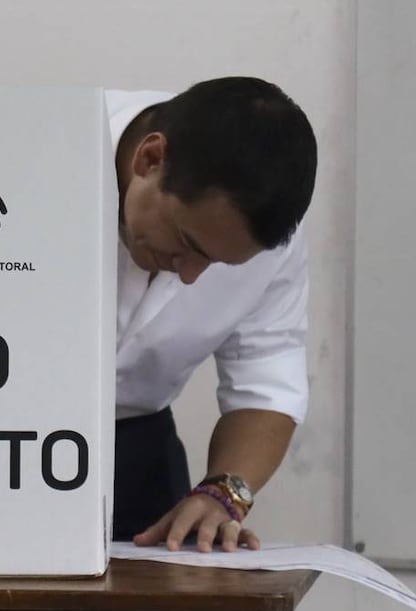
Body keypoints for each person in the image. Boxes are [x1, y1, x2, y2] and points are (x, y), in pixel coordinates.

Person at [107, 77, 317, 553]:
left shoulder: (265, 230)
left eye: (218, 264)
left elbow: (267, 378)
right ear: (149, 159)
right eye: (188, 244)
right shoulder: (31, 153)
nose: (190, 278)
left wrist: (225, 493)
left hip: (139, 451)